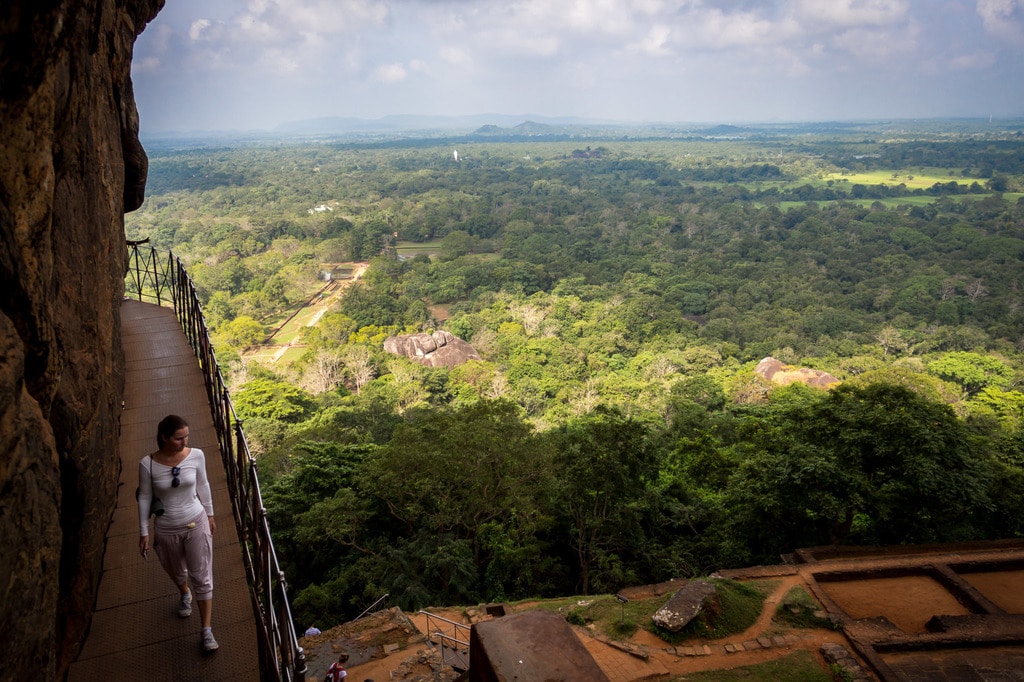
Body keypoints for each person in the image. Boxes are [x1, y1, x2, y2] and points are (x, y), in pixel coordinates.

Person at [138, 414, 219, 653]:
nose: (184, 442)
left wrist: (211, 514)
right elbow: (144, 496)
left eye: (186, 437)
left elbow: (203, 484)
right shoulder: (147, 464)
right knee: (175, 570)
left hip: (196, 520)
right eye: (178, 438)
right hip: (166, 527)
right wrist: (143, 531)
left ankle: (206, 630)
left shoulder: (196, 456)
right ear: (164, 437)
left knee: (202, 576)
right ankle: (184, 593)